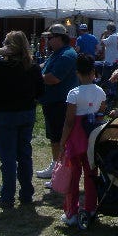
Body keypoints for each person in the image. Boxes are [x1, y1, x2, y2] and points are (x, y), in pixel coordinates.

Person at [0, 31, 44, 208]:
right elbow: (41, 92)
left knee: (8, 158)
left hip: (5, 114)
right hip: (26, 113)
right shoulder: (33, 66)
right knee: (24, 156)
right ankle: (26, 193)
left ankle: (7, 196)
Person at [58, 53, 106, 226]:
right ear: (93, 72)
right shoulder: (100, 91)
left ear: (77, 73)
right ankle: (91, 208)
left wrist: (63, 141)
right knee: (91, 174)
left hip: (76, 137)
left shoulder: (73, 93)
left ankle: (71, 212)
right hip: (92, 136)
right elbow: (101, 113)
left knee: (73, 175)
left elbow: (69, 121)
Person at [36, 24, 78, 181]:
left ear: (59, 38)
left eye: (50, 38)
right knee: (54, 137)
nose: (47, 41)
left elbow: (54, 78)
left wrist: (35, 77)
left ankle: (61, 171)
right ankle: (56, 165)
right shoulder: (57, 53)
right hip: (52, 103)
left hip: (60, 104)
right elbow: (44, 68)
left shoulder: (66, 55)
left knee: (60, 138)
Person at [100, 23, 118, 102]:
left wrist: (103, 34)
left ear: (109, 29)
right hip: (116, 59)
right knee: (114, 79)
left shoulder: (112, 37)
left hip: (110, 61)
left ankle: (111, 96)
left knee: (108, 79)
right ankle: (114, 95)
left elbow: (102, 42)